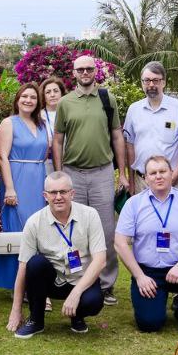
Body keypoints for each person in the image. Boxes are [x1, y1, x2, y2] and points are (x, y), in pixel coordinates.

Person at [52, 55, 126, 306]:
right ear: (73, 73)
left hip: (102, 172)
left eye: (89, 69)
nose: (85, 72)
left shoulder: (107, 99)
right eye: (80, 69)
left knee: (106, 231)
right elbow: (58, 140)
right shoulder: (65, 103)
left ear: (96, 71)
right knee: (72, 230)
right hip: (73, 173)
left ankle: (106, 284)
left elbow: (117, 136)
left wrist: (123, 173)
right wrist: (60, 174)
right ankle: (76, 279)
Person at [114, 155, 178, 332]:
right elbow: (120, 243)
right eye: (153, 173)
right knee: (150, 324)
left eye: (163, 171)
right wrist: (139, 276)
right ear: (145, 178)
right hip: (149, 273)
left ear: (171, 174)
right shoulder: (133, 204)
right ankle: (154, 305)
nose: (158, 176)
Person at [5, 170, 107, 338]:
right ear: (45, 196)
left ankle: (77, 317)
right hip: (52, 281)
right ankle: (36, 320)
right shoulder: (34, 222)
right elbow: (22, 267)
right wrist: (15, 310)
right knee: (35, 264)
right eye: (53, 192)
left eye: (63, 192)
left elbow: (100, 260)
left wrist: (76, 293)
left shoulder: (90, 215)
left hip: (81, 280)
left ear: (72, 193)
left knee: (93, 302)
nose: (58, 197)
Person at [0, 83, 50, 290]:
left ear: (37, 102)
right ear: (17, 100)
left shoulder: (41, 124)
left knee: (39, 231)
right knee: (18, 229)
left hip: (38, 180)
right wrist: (10, 188)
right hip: (17, 180)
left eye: (32, 97)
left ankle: (37, 282)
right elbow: (2, 157)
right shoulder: (8, 123)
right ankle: (18, 284)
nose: (28, 100)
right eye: (24, 96)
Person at [123, 61, 178, 193]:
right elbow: (130, 146)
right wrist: (131, 181)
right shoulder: (134, 109)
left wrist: (176, 174)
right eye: (147, 80)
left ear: (164, 82)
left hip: (171, 181)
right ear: (142, 83)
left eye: (156, 80)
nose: (151, 85)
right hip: (141, 182)